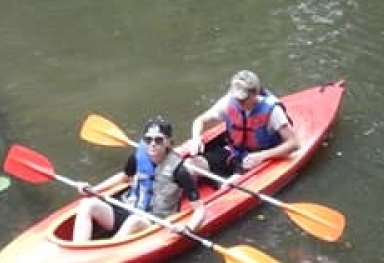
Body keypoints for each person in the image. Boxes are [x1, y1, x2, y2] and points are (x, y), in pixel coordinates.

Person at [71, 116, 203, 241]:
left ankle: (106, 254)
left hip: (153, 222)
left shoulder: (179, 171)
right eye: (148, 139)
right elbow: (123, 178)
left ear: (168, 142)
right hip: (129, 208)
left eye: (158, 140)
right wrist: (93, 189)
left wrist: (188, 228)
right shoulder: (137, 159)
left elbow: (200, 211)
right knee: (87, 204)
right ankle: (78, 249)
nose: (152, 144)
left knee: (134, 221)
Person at [179, 69, 300, 178]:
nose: (239, 102)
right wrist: (196, 139)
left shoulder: (273, 111)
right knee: (189, 166)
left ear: (255, 93)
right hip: (234, 153)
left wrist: (262, 156)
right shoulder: (229, 102)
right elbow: (200, 120)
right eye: (236, 99)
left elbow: (294, 143)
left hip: (259, 158)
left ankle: (228, 184)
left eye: (243, 99)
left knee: (232, 183)